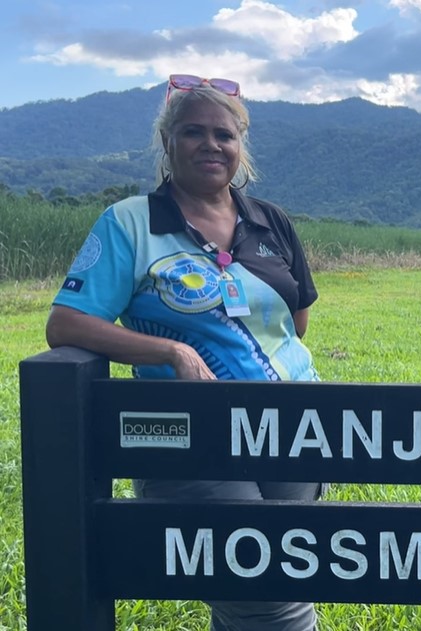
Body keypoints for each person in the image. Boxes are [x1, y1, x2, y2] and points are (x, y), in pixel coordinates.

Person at [45, 74, 321, 631]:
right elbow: (67, 323)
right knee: (262, 592)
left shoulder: (271, 221)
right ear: (167, 143)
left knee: (282, 579)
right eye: (193, 132)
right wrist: (169, 350)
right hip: (191, 435)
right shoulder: (130, 223)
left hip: (293, 426)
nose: (211, 145)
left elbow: (295, 323)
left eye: (225, 134)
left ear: (241, 146)